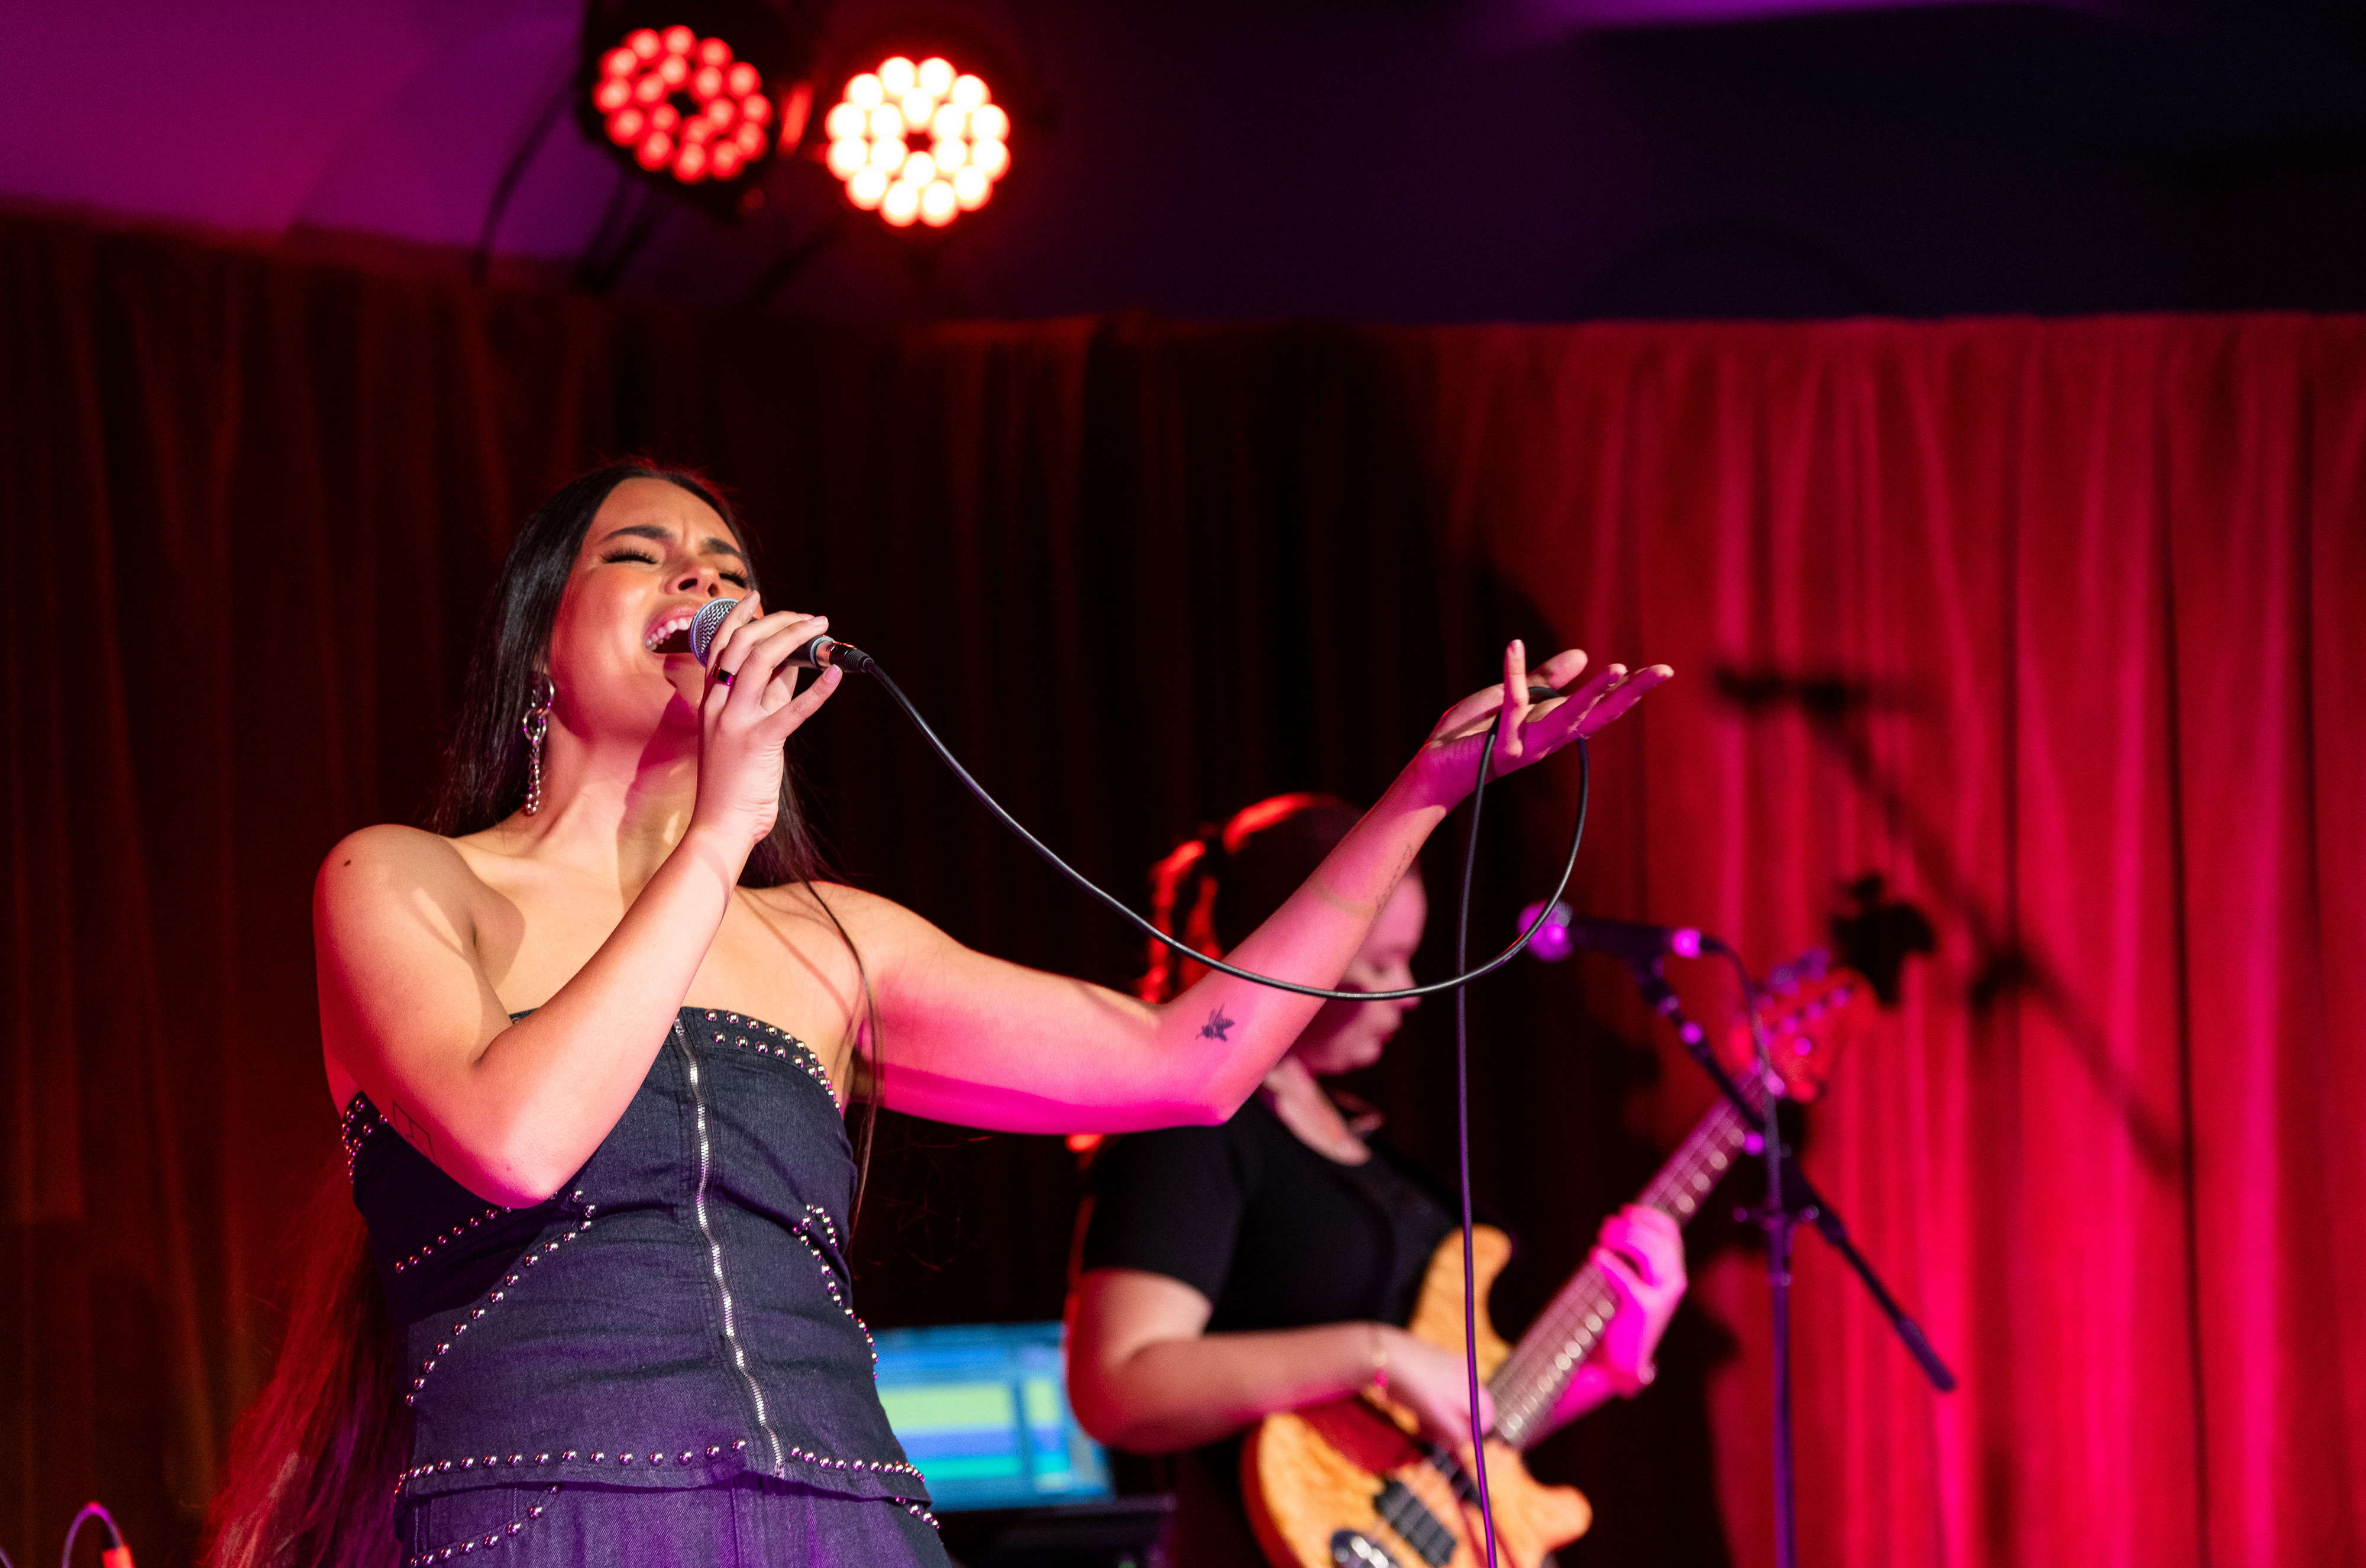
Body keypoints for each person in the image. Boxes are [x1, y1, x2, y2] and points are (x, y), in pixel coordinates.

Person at [205, 460, 1669, 1568]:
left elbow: (1188, 1063)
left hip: (848, 1516)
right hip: (553, 1511)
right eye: (638, 555)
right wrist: (714, 838)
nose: (698, 578)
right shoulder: (403, 879)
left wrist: (1417, 796)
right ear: (539, 644)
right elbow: (517, 1139)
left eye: (724, 559)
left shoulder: (834, 940)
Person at [1065, 795, 1688, 1568]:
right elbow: (1118, 1383)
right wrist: (1374, 1352)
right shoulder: (1192, 1132)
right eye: (1383, 964)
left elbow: (1464, 1436)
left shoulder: (1367, 1147)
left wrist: (1609, 1362)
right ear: (1291, 951)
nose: (1413, 990)